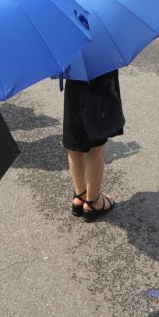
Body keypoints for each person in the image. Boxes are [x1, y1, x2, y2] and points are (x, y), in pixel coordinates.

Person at [63, 69, 124, 222]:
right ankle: (93, 202)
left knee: (75, 143)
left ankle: (80, 195)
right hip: (99, 74)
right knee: (96, 145)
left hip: (74, 76)